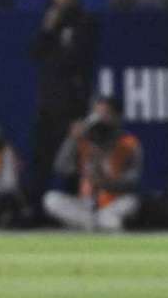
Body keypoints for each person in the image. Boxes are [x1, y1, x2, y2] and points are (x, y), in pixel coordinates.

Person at [29, 0, 97, 210]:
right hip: (47, 104)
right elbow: (35, 52)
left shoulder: (83, 22)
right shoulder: (50, 20)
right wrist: (48, 28)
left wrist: (80, 112)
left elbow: (80, 64)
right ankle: (35, 210)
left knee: (70, 162)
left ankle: (74, 209)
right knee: (41, 159)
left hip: (70, 106)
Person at [43, 97, 143, 231]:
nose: (100, 118)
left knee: (131, 202)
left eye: (106, 114)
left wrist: (104, 182)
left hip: (113, 203)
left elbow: (132, 181)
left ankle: (92, 225)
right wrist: (71, 140)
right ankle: (93, 224)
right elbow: (61, 168)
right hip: (86, 205)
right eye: (97, 113)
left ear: (117, 117)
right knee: (51, 199)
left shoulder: (128, 143)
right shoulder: (83, 139)